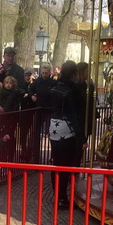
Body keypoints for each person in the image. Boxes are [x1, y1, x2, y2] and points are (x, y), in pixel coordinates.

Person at [48, 60, 85, 208]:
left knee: (56, 162)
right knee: (65, 164)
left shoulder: (55, 88)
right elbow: (74, 116)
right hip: (66, 128)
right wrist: (81, 137)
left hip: (54, 125)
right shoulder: (72, 91)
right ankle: (62, 198)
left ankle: (57, 195)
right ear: (73, 74)